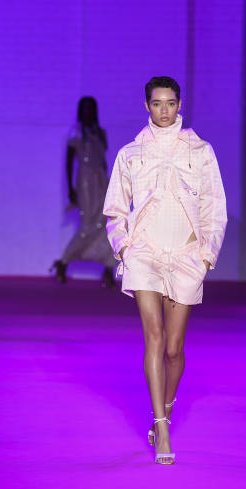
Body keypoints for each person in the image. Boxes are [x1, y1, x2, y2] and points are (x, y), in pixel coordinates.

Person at [103, 76, 227, 465]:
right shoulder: (131, 154)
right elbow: (115, 209)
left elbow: (214, 207)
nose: (164, 111)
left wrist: (207, 255)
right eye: (157, 104)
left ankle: (166, 412)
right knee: (153, 337)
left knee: (175, 349)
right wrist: (125, 247)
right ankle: (162, 426)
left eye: (170, 103)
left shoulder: (201, 151)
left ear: (180, 105)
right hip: (144, 254)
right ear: (146, 106)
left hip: (187, 255)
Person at [50, 97, 116, 287]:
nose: (87, 112)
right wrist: (71, 188)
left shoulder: (101, 133)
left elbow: (103, 161)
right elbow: (69, 161)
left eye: (91, 109)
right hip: (85, 180)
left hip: (101, 179)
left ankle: (108, 269)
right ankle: (64, 261)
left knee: (107, 224)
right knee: (88, 226)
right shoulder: (76, 131)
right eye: (84, 109)